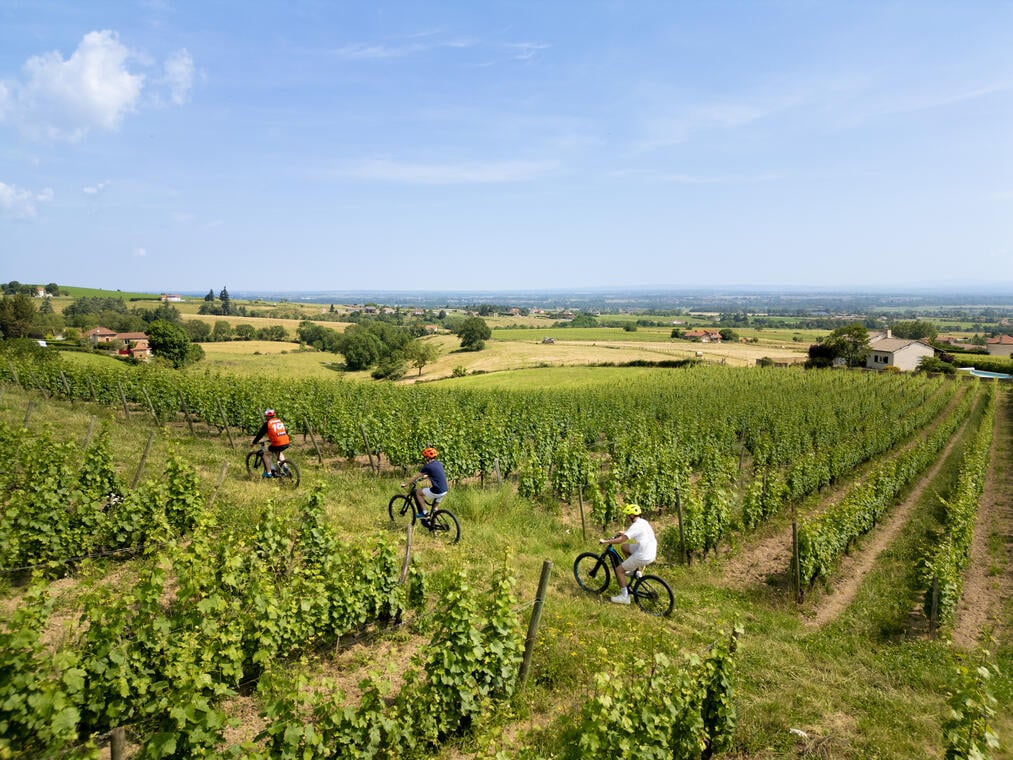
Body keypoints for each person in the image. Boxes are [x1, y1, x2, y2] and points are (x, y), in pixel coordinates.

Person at [599, 503, 657, 605]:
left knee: (619, 570)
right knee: (624, 547)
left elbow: (620, 540)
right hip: (651, 550)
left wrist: (606, 541)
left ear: (631, 515)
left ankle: (624, 597)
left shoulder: (635, 526)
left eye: (628, 515)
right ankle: (636, 571)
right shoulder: (643, 522)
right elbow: (632, 534)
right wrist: (624, 533)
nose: (627, 517)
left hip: (643, 554)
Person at [402, 447, 448, 518]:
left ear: (426, 458)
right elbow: (435, 473)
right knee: (434, 509)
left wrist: (406, 484)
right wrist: (426, 476)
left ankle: (425, 513)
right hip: (444, 490)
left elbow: (415, 476)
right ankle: (433, 524)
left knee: (418, 493)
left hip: (437, 491)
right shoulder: (439, 463)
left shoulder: (427, 466)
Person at [251, 409, 291, 477]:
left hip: (278, 443)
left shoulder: (267, 424)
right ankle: (285, 467)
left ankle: (268, 473)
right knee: (279, 452)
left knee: (265, 454)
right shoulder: (279, 421)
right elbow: (280, 432)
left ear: (267, 416)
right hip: (286, 441)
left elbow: (260, 434)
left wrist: (254, 442)